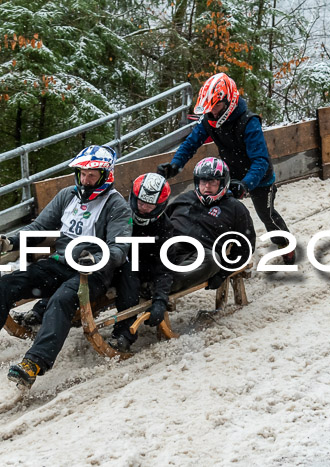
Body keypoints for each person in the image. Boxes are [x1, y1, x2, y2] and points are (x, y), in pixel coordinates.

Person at [0, 145, 132, 389]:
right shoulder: (67, 195)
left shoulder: (115, 205)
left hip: (93, 273)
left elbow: (119, 248)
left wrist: (97, 259)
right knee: (7, 284)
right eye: (82, 173)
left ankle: (34, 362)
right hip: (60, 264)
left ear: (105, 176)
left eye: (91, 175)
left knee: (61, 300)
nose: (85, 179)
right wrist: (12, 240)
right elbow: (38, 228)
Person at [157, 73, 293, 264]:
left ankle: (286, 245)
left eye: (217, 106)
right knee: (217, 212)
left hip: (259, 178)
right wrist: (175, 165)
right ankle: (222, 251)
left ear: (230, 100)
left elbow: (260, 160)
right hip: (229, 177)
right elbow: (191, 143)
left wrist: (246, 185)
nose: (213, 112)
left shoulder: (249, 122)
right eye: (210, 107)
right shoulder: (209, 120)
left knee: (266, 215)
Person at [107, 172, 177, 352]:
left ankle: (124, 334)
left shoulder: (165, 229)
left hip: (143, 267)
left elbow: (165, 267)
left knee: (129, 272)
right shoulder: (121, 212)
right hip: (115, 256)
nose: (142, 207)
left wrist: (160, 299)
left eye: (148, 204)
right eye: (139, 201)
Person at [166, 157, 255, 292]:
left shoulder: (235, 209)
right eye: (203, 181)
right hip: (169, 248)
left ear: (222, 182)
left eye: (212, 182)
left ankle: (162, 287)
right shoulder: (184, 198)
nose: (207, 186)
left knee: (212, 259)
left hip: (199, 256)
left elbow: (245, 248)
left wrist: (223, 272)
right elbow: (161, 223)